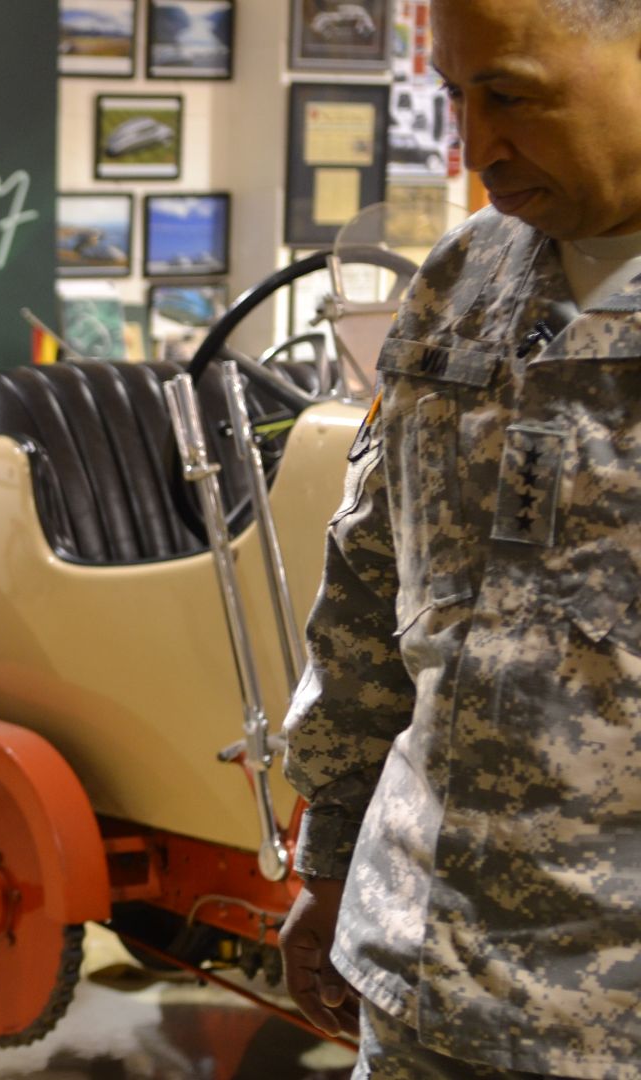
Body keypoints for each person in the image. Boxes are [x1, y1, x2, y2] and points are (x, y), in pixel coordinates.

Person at [279, 0, 641, 1076]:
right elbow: (371, 585)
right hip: (423, 985)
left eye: (512, 95)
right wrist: (332, 857)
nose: (477, 146)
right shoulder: (461, 283)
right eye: (456, 96)